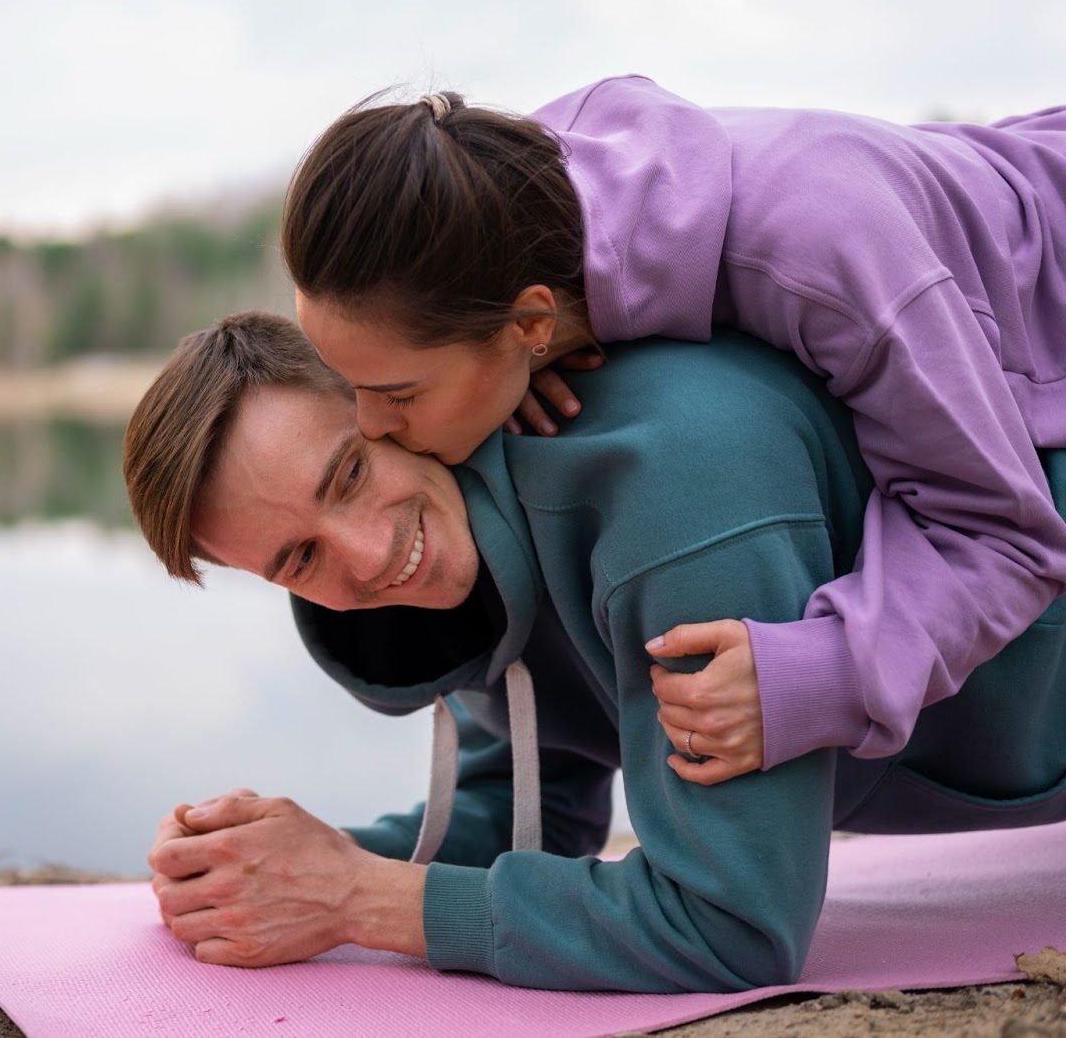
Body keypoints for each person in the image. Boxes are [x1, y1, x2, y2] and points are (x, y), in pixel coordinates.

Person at [120, 311, 1066, 993]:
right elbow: (525, 815)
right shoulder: (458, 556)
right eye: (299, 559)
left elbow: (731, 927)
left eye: (351, 473)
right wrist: (276, 867)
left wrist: (358, 901)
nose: (370, 556)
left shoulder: (671, 484)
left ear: (387, 399)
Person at [280, 76, 1066, 785]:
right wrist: (527, 361)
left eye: (398, 393)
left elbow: (1006, 539)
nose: (371, 426)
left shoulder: (830, 258)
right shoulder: (501, 214)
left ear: (528, 321)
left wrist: (821, 672)